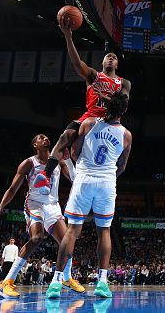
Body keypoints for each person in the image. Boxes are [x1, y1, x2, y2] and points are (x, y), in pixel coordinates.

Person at [45, 92, 132, 299]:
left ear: (105, 105)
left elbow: (74, 153)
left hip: (84, 179)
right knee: (104, 231)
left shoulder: (89, 123)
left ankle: (56, 282)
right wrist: (109, 173)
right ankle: (102, 282)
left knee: (72, 231)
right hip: (107, 183)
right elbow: (122, 165)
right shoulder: (127, 135)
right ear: (124, 110)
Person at [40, 15, 131, 186]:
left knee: (120, 154)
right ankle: (46, 175)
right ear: (103, 62)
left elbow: (122, 105)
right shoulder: (93, 75)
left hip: (110, 121)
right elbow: (76, 63)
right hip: (89, 116)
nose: (111, 58)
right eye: (108, 56)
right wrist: (68, 36)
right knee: (65, 137)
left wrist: (103, 97)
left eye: (114, 57)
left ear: (117, 65)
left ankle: (109, 181)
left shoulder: (124, 83)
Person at [0, 134, 85, 298]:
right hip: (34, 203)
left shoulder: (58, 160)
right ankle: (6, 282)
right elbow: (13, 188)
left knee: (67, 241)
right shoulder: (29, 163)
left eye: (46, 137)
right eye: (41, 138)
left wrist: (69, 160)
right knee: (37, 238)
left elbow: (74, 179)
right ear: (35, 144)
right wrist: (1, 205)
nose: (45, 139)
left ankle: (67, 278)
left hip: (53, 206)